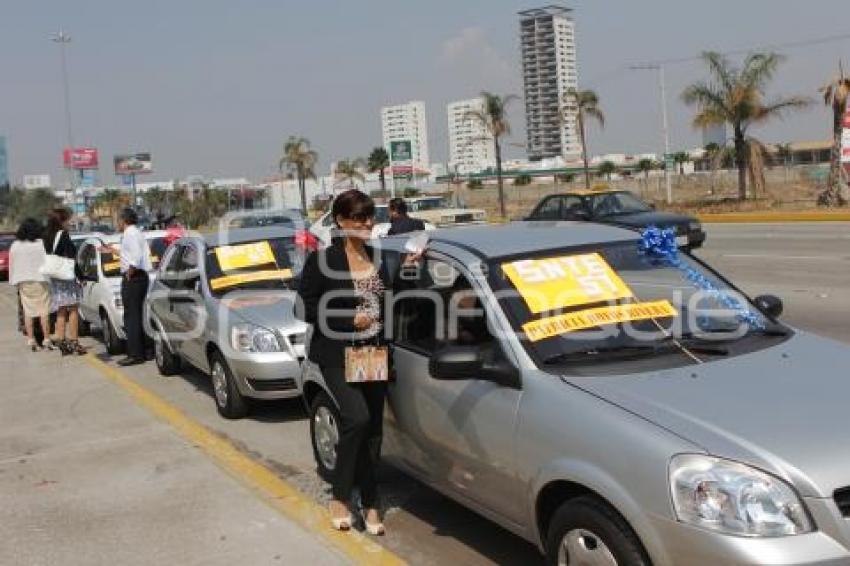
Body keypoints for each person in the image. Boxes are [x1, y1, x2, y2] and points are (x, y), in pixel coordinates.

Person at [297, 189, 421, 535]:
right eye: (359, 218)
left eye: (370, 217)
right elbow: (305, 307)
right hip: (337, 353)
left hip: (373, 352)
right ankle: (339, 496)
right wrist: (348, 319)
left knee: (374, 432)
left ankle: (370, 502)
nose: (367, 223)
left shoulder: (379, 256)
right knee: (357, 418)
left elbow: (391, 294)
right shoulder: (322, 261)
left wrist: (408, 268)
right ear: (340, 221)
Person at [43, 208, 87, 356]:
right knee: (73, 308)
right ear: (61, 221)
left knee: (61, 309)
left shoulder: (47, 235)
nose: (69, 222)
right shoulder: (63, 235)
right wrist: (81, 277)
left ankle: (61, 339)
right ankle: (74, 341)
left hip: (55, 277)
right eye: (67, 219)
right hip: (66, 276)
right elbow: (72, 258)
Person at [9, 218, 54, 351]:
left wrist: (14, 281)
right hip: (41, 280)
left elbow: (12, 265)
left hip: (23, 281)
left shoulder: (15, 245)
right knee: (43, 311)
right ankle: (46, 339)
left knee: (28, 312)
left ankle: (31, 339)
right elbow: (48, 262)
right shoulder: (41, 244)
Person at [116, 207, 152, 366]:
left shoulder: (130, 233)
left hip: (134, 278)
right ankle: (142, 351)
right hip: (138, 277)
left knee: (131, 317)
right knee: (135, 315)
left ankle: (136, 354)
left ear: (123, 220)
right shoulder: (134, 232)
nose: (117, 223)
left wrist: (130, 271)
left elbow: (136, 256)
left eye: (118, 219)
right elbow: (130, 253)